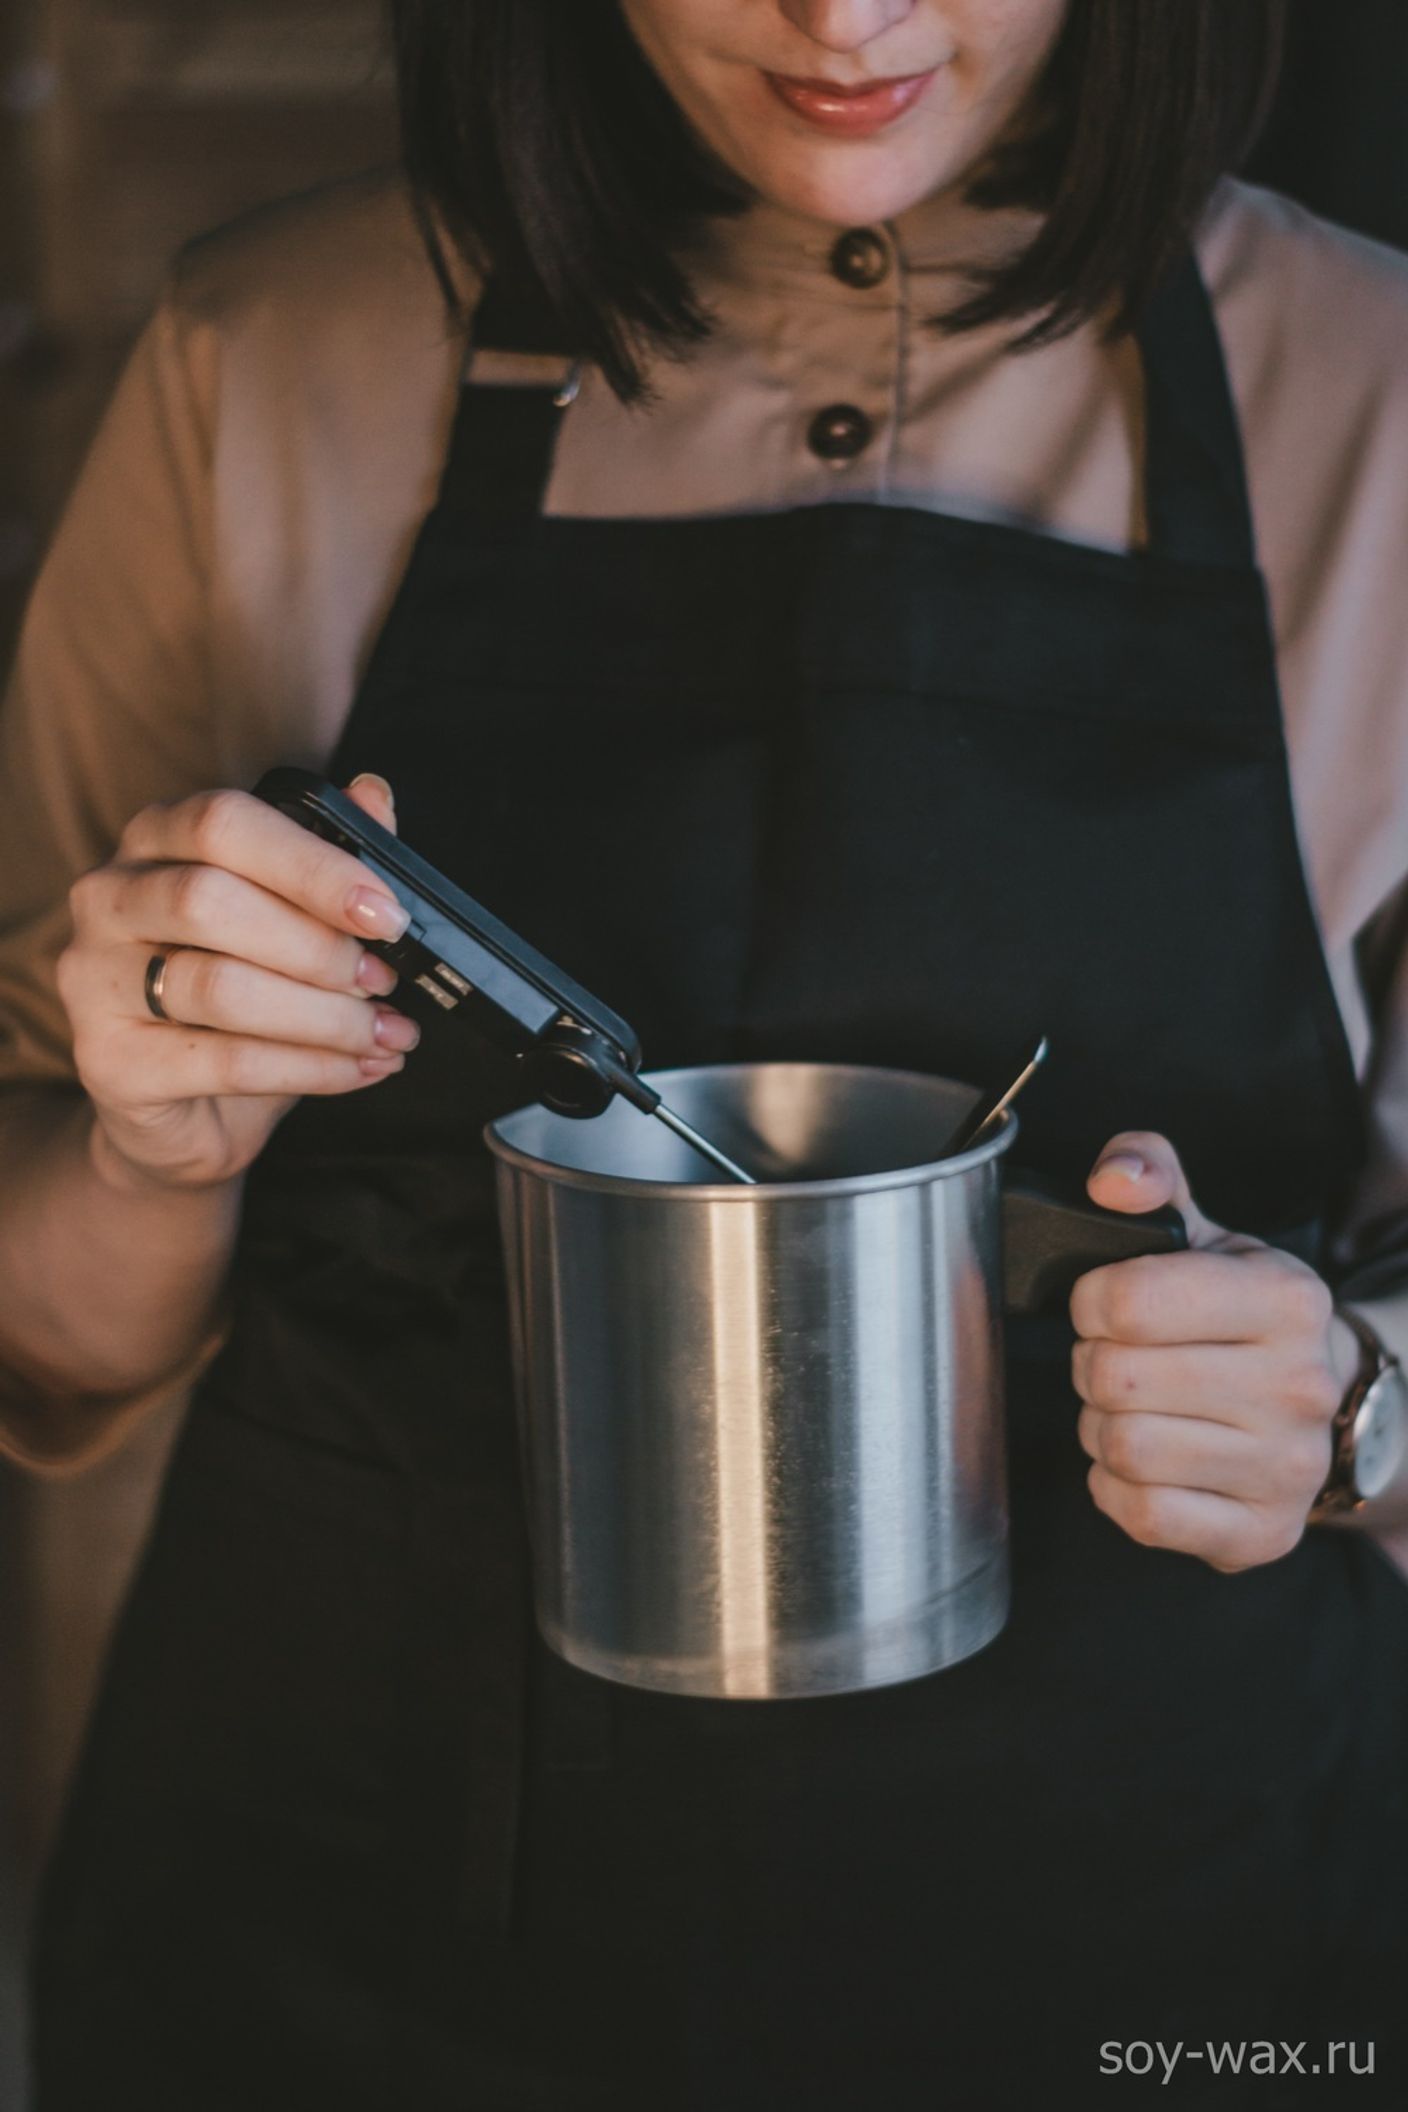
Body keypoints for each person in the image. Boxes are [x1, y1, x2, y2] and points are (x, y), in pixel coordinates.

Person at [2, 1, 1406, 2103]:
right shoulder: (260, 353)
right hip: (338, 1923)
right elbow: (49, 1338)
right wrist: (145, 1162)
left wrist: (1353, 1409)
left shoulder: (1369, 390)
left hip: (1149, 1932)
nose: (839, 13)